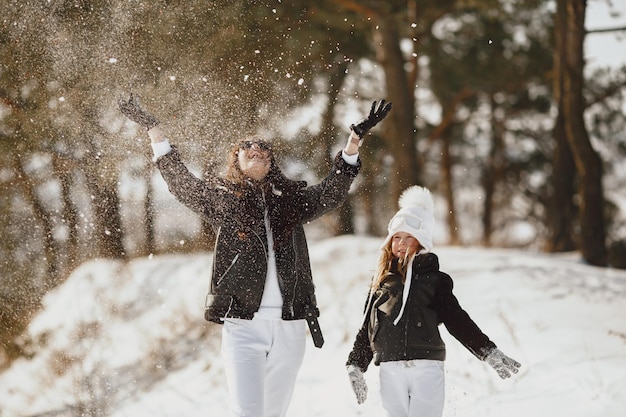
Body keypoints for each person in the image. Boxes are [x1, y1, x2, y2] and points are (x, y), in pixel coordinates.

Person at [118, 95, 392, 417]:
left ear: (271, 163)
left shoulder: (291, 202)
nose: (257, 150)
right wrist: (154, 130)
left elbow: (330, 192)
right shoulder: (225, 203)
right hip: (243, 326)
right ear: (237, 158)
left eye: (264, 149)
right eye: (249, 146)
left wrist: (353, 144)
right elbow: (183, 185)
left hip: (289, 327)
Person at [345, 185, 521, 417]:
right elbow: (368, 329)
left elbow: (457, 320)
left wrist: (487, 351)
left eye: (409, 237)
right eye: (396, 237)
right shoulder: (381, 282)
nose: (401, 242)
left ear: (422, 241)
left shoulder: (435, 281)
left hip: (426, 366)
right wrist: (356, 364)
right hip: (389, 368)